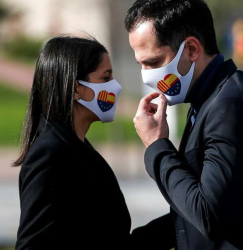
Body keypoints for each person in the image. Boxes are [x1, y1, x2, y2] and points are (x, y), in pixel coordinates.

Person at [125, 0, 243, 250]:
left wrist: (157, 147)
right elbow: (194, 211)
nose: (146, 76)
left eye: (154, 62)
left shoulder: (230, 104)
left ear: (192, 49)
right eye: (140, 64)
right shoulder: (208, 99)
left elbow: (209, 215)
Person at [13, 35, 175, 250]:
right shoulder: (50, 154)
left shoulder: (77, 147)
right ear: (77, 89)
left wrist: (181, 222)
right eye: (106, 77)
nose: (115, 87)